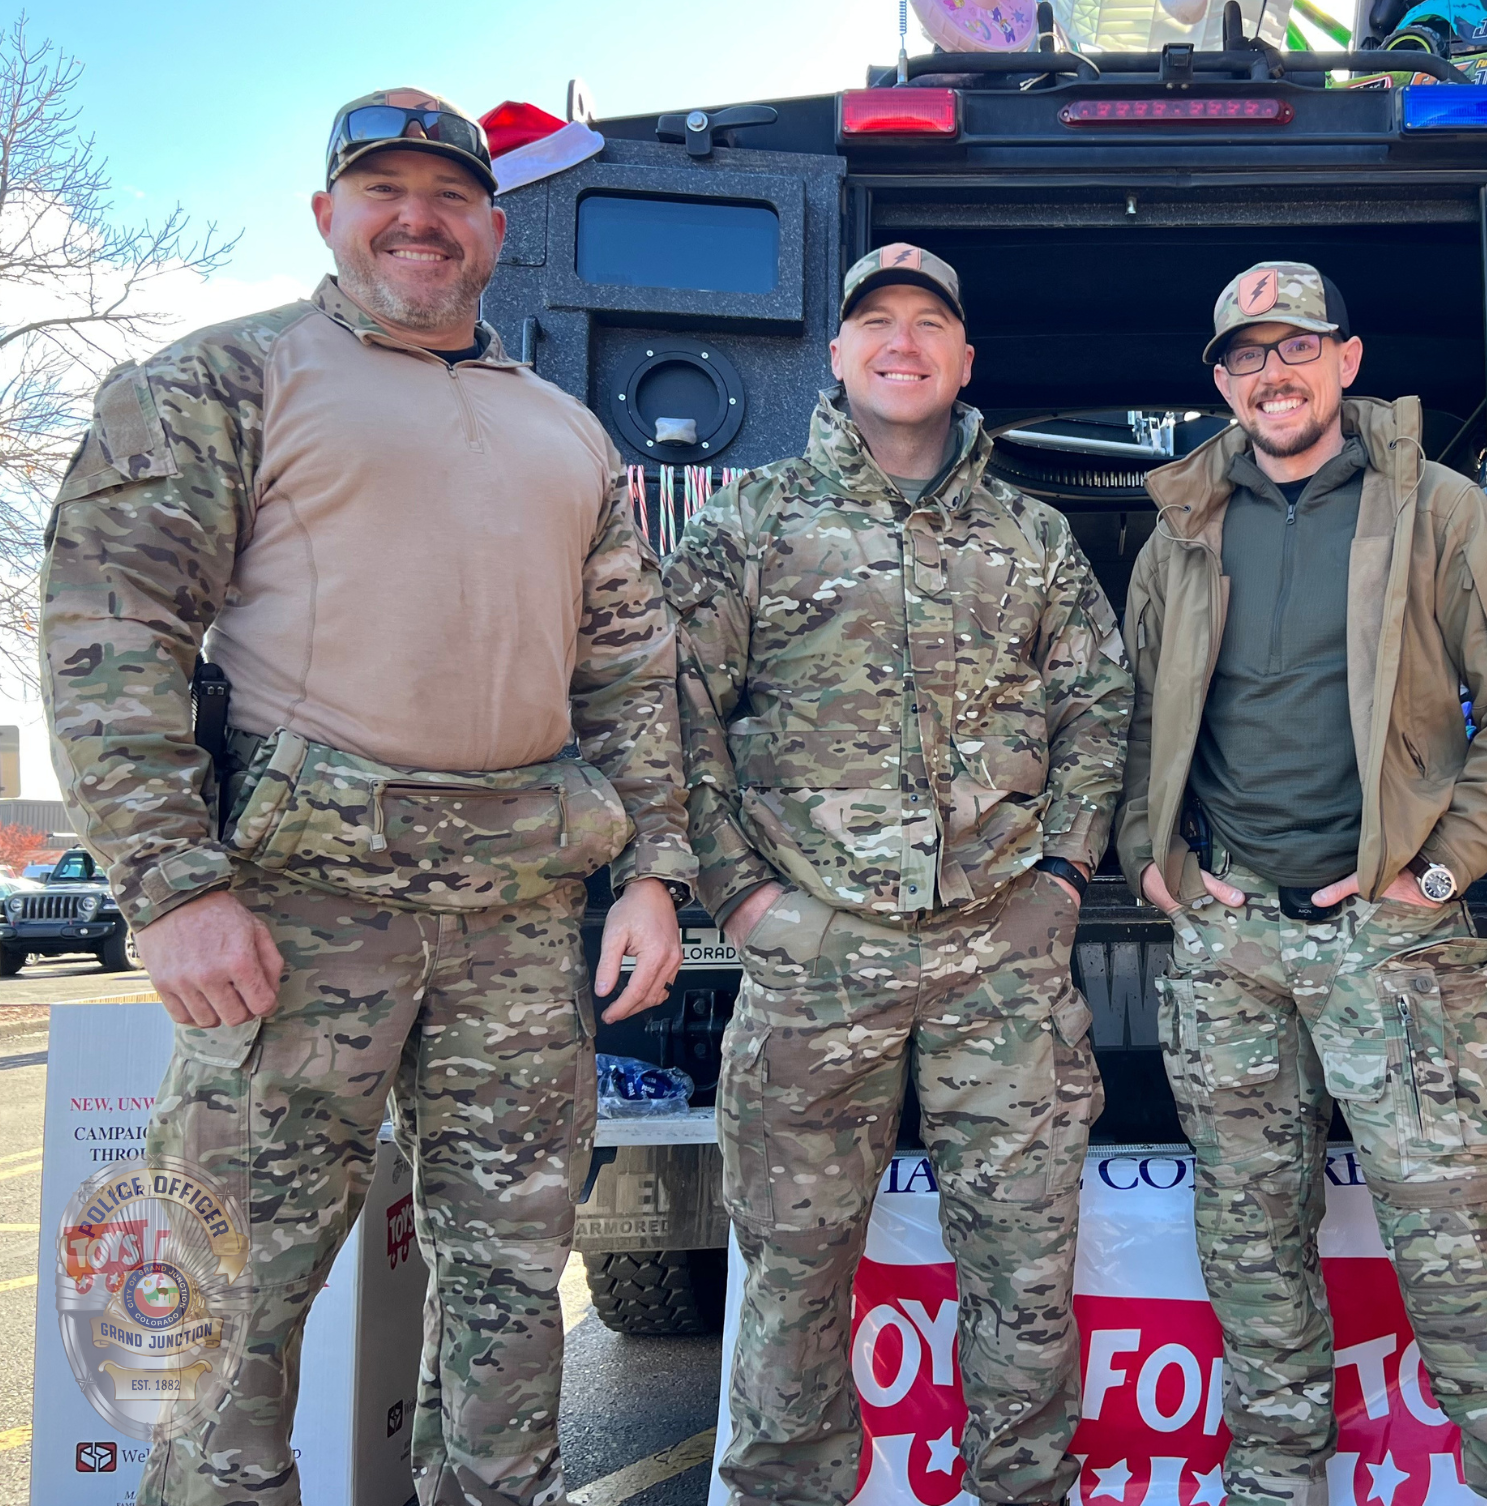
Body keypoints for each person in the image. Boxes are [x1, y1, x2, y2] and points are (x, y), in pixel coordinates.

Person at [40, 88, 695, 1506]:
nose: (418, 219)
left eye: (449, 197)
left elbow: (632, 674)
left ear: (494, 230)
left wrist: (653, 872)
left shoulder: (568, 434)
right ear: (326, 214)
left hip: (518, 914)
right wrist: (175, 885)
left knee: (514, 1292)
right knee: (225, 1291)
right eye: (383, 190)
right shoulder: (223, 379)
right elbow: (113, 625)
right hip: (297, 909)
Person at [1117, 261, 1487, 1506]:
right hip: (1230, 952)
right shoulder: (1180, 527)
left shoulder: (1431, 508)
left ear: (1345, 359)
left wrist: (1438, 869)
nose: (1269, 375)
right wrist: (1155, 860)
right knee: (1250, 1265)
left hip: (1392, 946)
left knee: (1456, 1270)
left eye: (1294, 349)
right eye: (1243, 357)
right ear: (1218, 382)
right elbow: (1124, 718)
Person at [670, 243, 1132, 1506]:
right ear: (836, 355)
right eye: (876, 320)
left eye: (929, 322)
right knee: (795, 1275)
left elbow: (1100, 702)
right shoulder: (751, 525)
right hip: (818, 960)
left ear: (964, 360)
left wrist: (1062, 868)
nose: (903, 341)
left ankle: (1023, 1489)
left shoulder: (1031, 536)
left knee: (1026, 1274)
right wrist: (743, 899)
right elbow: (677, 718)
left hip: (1002, 956)